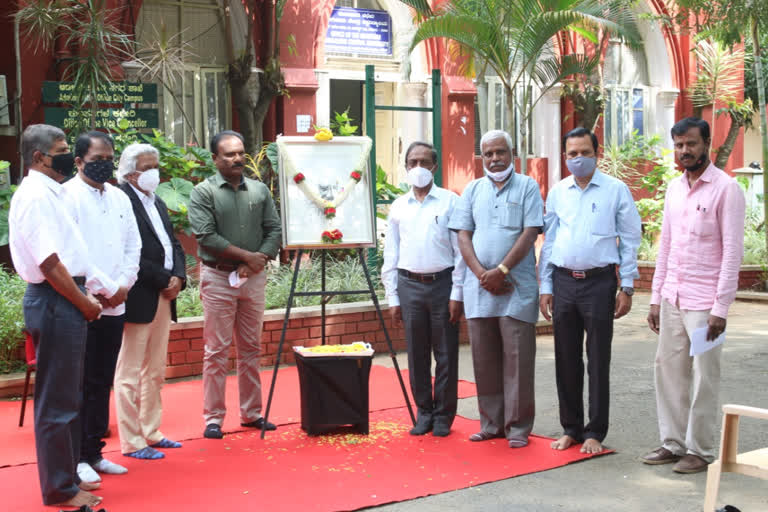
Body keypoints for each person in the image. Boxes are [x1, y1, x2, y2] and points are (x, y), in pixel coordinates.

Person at [9, 124, 110, 508]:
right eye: (62, 149)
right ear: (38, 157)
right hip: (55, 299)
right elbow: (49, 262)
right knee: (57, 402)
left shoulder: (52, 193)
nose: (69, 155)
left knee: (70, 397)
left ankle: (65, 480)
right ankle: (59, 489)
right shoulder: (36, 195)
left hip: (64, 297)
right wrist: (83, 302)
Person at [642, 117, 746, 474]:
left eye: (691, 144)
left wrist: (721, 308)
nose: (685, 151)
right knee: (668, 370)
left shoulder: (725, 189)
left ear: (707, 145)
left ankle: (699, 450)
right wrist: (656, 298)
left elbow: (732, 251)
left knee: (704, 374)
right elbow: (666, 245)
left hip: (705, 307)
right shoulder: (673, 189)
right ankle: (672, 442)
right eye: (679, 145)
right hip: (673, 298)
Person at [538, 127, 642, 454]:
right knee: (565, 358)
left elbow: (630, 238)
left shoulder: (615, 190)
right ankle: (571, 428)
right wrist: (546, 285)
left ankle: (595, 431)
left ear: (597, 154)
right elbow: (551, 239)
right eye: (572, 154)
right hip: (565, 281)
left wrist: (627, 285)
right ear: (565, 156)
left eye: (585, 152)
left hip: (600, 283)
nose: (578, 159)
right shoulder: (558, 192)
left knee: (597, 359)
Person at [448, 129, 543, 448]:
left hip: (516, 288)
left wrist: (501, 271)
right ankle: (490, 424)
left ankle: (517, 428)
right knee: (484, 360)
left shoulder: (528, 186)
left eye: (500, 152)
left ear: (511, 153)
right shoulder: (473, 190)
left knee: (517, 360)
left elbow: (531, 232)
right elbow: (463, 235)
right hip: (481, 289)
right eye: (488, 153)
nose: (494, 158)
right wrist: (481, 274)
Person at [188, 130, 282, 439]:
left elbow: (274, 228)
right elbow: (206, 236)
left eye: (240, 152)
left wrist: (260, 259)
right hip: (218, 277)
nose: (237, 158)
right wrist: (249, 258)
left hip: (253, 279)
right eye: (229, 154)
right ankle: (213, 418)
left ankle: (251, 412)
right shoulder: (203, 192)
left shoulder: (259, 191)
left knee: (251, 347)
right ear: (215, 159)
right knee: (216, 350)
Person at [62, 131, 141, 483]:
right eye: (97, 160)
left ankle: (94, 452)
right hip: (83, 302)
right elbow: (73, 254)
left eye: (109, 158)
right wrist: (106, 288)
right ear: (78, 162)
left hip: (116, 302)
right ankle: (76, 456)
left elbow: (132, 246)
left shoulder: (120, 197)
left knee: (101, 381)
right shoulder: (67, 197)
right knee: (78, 382)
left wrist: (123, 285)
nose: (104, 165)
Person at [382, 141, 466, 437]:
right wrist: (392, 296)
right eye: (412, 162)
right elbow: (391, 253)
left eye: (424, 162)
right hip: (409, 286)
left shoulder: (450, 202)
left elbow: (460, 252)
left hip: (442, 284)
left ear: (435, 167)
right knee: (417, 354)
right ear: (406, 167)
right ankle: (424, 412)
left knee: (446, 354)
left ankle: (444, 415)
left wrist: (458, 293)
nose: (418, 168)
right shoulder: (398, 206)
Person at [114, 143, 187, 460]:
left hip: (164, 294)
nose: (154, 173)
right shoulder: (121, 200)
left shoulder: (155, 201)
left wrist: (179, 277)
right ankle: (132, 441)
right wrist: (163, 278)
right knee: (129, 370)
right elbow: (129, 253)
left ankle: (151, 430)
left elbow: (174, 244)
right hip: (139, 294)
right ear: (131, 172)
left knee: (155, 369)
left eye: (156, 166)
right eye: (148, 167)